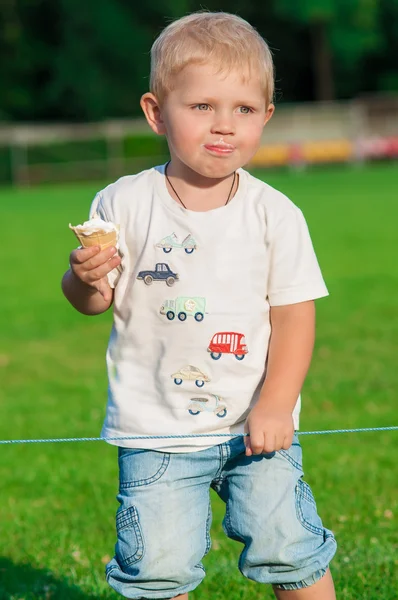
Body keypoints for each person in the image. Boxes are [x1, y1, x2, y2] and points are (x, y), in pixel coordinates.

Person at [61, 11, 337, 600]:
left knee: (291, 551)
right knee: (157, 571)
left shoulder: (275, 214)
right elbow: (93, 300)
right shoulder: (124, 201)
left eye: (242, 109)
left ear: (265, 116)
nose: (223, 126)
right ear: (157, 112)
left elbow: (295, 315)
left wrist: (278, 404)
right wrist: (81, 277)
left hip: (255, 429)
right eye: (201, 107)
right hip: (154, 430)